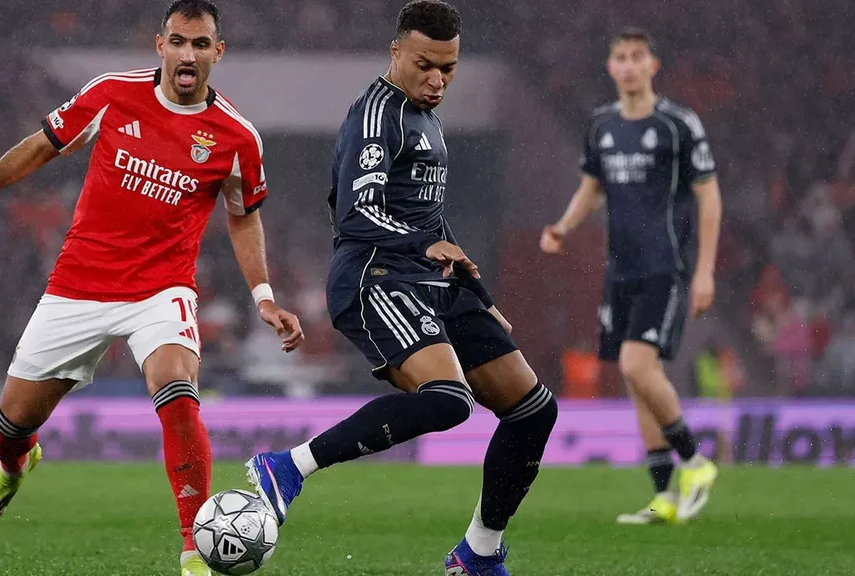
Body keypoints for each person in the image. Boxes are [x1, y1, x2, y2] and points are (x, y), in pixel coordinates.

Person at [0, 2, 304, 574]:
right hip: (78, 285)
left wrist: (263, 296)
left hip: (162, 290)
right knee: (10, 427)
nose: (188, 55)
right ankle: (16, 464)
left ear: (218, 52)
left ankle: (194, 550)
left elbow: (243, 216)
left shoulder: (237, 137)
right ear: (160, 45)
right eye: (179, 41)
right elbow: (45, 142)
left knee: (177, 390)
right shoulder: (113, 93)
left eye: (201, 44)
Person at [246, 2, 557, 574]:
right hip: (375, 275)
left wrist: (481, 299)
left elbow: (431, 220)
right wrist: (423, 245)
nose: (437, 80)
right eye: (424, 65)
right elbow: (358, 214)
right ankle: (287, 467)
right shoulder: (376, 116)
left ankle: (478, 552)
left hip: (430, 280)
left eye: (448, 68)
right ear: (396, 52)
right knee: (449, 401)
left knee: (533, 410)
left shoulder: (427, 118)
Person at [540, 28, 723, 524]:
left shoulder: (677, 123)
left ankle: (696, 461)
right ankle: (664, 496)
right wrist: (563, 226)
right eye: (620, 57)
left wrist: (705, 271)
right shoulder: (601, 124)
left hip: (664, 266)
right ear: (610, 67)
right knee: (635, 376)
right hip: (619, 269)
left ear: (652, 65)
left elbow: (708, 194)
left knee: (637, 365)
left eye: (637, 56)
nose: (628, 65)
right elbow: (591, 188)